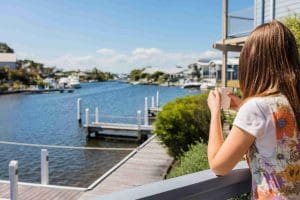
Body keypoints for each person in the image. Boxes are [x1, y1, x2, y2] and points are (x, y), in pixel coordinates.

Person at [207, 20, 300, 199]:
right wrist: (242, 107)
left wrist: (215, 112)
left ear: (253, 62)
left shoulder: (256, 108)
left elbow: (219, 166)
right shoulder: (292, 100)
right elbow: (275, 126)